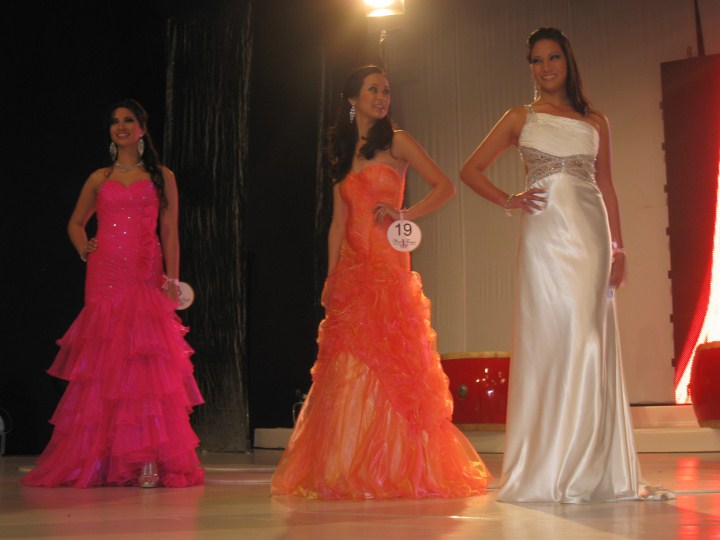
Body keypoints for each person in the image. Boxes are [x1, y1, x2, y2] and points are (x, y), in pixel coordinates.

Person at [460, 28, 673, 503]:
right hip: (544, 238)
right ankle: (551, 462)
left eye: (553, 57)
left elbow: (607, 185)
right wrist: (509, 199)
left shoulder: (595, 121)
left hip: (591, 238)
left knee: (589, 338)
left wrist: (619, 249)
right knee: (550, 340)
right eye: (536, 61)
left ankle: (590, 464)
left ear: (567, 61)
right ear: (530, 68)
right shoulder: (520, 117)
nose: (546, 67)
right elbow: (470, 170)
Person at [271, 66, 490, 499]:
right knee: (349, 366)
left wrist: (405, 213)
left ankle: (398, 466)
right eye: (373, 90)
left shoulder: (398, 141)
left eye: (386, 91)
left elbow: (444, 187)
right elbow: (338, 223)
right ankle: (346, 464)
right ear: (352, 99)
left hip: (388, 265)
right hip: (352, 271)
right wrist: (331, 275)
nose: (382, 97)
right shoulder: (342, 151)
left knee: (394, 360)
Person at [22, 99, 204, 488]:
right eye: (114, 122)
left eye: (129, 120)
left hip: (144, 273)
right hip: (104, 275)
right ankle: (99, 458)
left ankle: (147, 457)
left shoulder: (161, 176)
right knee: (105, 362)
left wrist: (173, 279)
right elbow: (75, 223)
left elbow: (169, 229)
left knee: (143, 363)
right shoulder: (99, 178)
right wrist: (84, 247)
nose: (121, 126)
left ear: (142, 128)